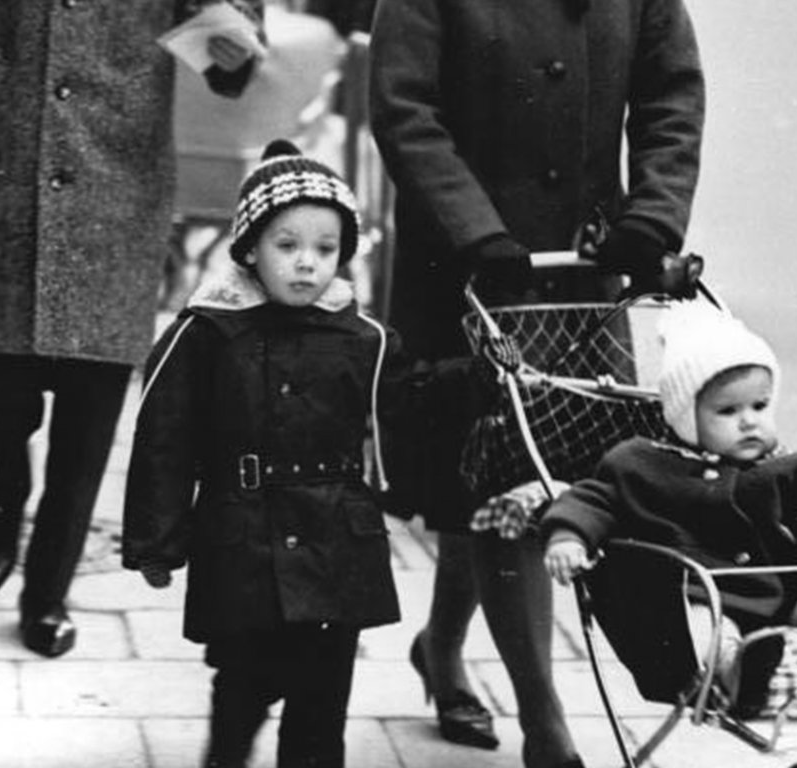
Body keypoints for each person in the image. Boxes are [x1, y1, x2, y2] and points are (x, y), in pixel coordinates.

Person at [368, 0, 705, 764]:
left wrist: (652, 217)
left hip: (582, 271)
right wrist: (474, 229)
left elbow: (671, 94)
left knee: (542, 484)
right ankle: (544, 725)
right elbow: (404, 108)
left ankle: (441, 646)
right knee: (486, 484)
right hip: (466, 269)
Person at [0, 0, 265, 657]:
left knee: (91, 404)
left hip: (120, 176)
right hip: (10, 169)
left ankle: (47, 594)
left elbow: (225, 26)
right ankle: (10, 477)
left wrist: (235, 52)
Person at [122, 139, 509, 768]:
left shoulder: (360, 335)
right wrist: (156, 541)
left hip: (336, 547)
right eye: (288, 245)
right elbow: (165, 437)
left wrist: (476, 377)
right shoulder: (208, 332)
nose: (307, 263)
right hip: (242, 543)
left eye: (325, 249)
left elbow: (409, 395)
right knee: (243, 686)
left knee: (321, 706)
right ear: (250, 247)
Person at [540, 303, 797, 709]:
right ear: (686, 416)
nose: (749, 421)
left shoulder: (786, 465)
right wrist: (569, 537)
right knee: (706, 629)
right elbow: (593, 498)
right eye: (728, 411)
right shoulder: (639, 464)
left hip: (784, 589)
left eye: (760, 406)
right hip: (705, 592)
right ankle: (736, 670)